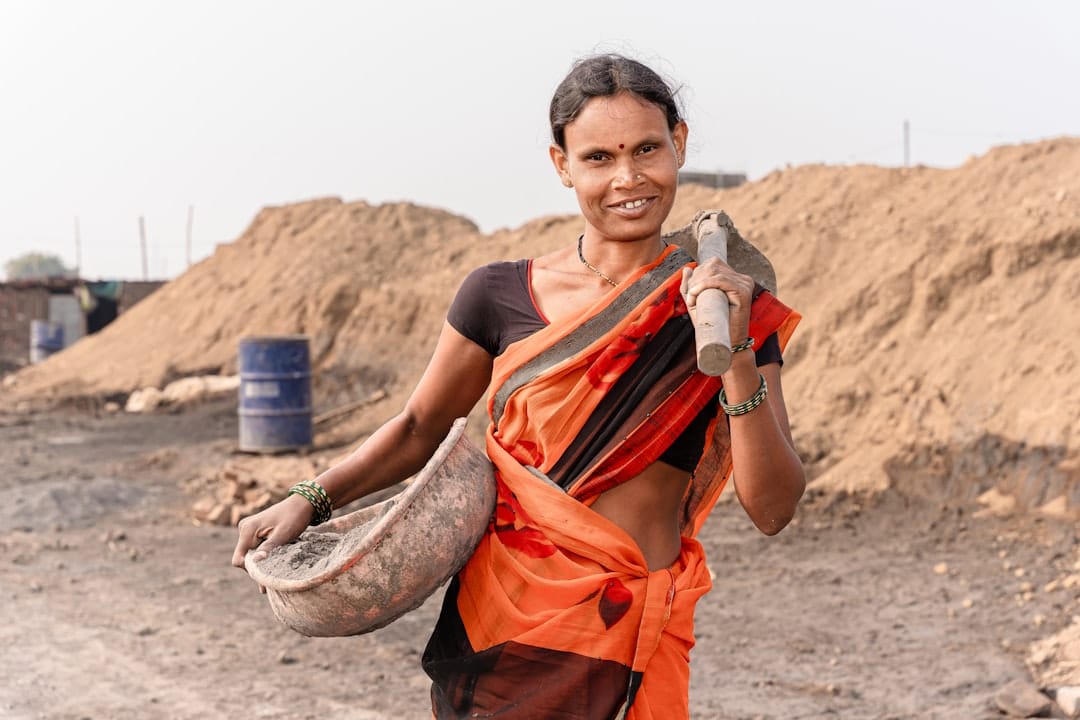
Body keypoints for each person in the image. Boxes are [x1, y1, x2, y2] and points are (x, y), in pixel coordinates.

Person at [233, 52, 804, 719]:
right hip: (503, 631)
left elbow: (772, 509)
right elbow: (420, 427)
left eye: (647, 149)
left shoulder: (725, 305)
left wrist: (734, 350)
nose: (627, 178)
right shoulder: (498, 295)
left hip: (629, 638)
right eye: (598, 158)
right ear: (562, 165)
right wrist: (310, 499)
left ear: (678, 145)